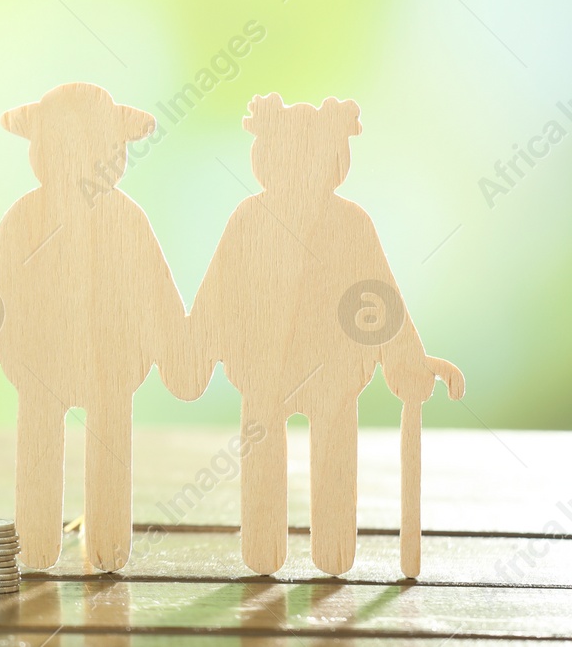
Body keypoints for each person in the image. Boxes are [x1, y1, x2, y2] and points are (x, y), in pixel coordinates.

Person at [0, 83, 200, 571]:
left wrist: (180, 356)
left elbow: (155, 294)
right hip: (39, 369)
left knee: (108, 454)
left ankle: (107, 546)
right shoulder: (24, 219)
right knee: (39, 452)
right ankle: (36, 544)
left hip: (111, 369)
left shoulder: (126, 221)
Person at [185, 94, 462, 575]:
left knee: (333, 460)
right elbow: (217, 294)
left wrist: (408, 360)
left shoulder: (351, 224)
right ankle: (264, 550)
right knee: (264, 459)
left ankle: (333, 551)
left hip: (333, 373)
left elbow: (378, 300)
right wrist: (193, 350)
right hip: (264, 371)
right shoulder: (249, 221)